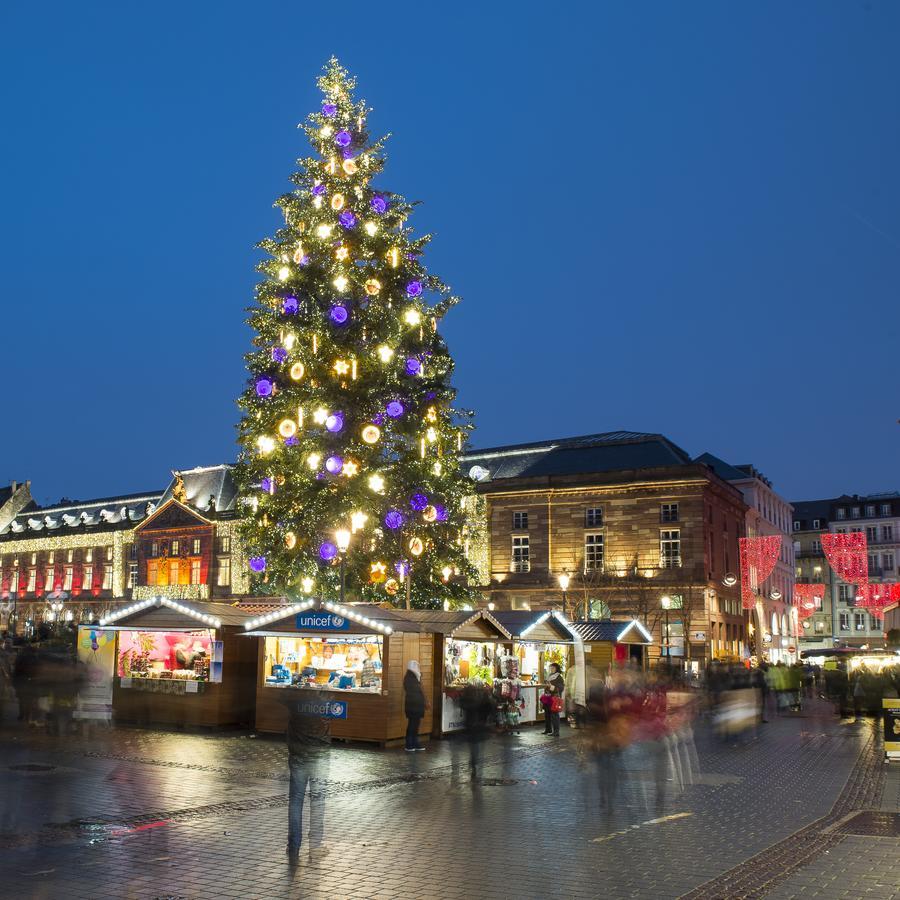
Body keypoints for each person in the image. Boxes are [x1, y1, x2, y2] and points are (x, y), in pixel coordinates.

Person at [282, 694, 331, 861]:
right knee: (318, 801)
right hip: (319, 756)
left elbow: (280, 699)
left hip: (298, 756)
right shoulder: (324, 703)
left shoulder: (294, 702)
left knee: (296, 801)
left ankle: (294, 846)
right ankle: (315, 846)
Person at [459, 678, 494, 779]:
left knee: (474, 746)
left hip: (471, 724)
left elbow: (463, 705)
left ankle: (474, 762)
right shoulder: (480, 697)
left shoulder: (469, 697)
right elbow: (488, 707)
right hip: (478, 724)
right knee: (476, 746)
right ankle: (474, 762)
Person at [403, 660, 427, 751]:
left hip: (415, 705)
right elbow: (415, 691)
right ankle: (409, 744)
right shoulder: (410, 678)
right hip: (413, 705)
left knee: (415, 724)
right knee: (412, 724)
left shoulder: (414, 677)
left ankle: (415, 743)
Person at [543, 662, 565, 737]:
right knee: (547, 714)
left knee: (554, 715)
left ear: (557, 669)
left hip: (554, 698)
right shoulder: (549, 676)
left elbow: (560, 688)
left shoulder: (559, 677)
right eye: (550, 668)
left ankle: (556, 732)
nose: (551, 669)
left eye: (553, 668)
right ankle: (548, 729)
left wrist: (551, 686)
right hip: (548, 697)